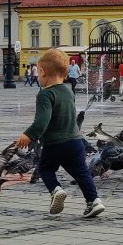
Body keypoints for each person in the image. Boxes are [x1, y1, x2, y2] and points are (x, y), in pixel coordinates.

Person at [15, 49, 105, 218]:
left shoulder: (45, 94)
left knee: (45, 169)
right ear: (65, 73)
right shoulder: (69, 91)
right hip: (75, 142)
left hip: (55, 143)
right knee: (81, 172)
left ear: (41, 72)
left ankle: (56, 190)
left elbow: (42, 121)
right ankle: (94, 202)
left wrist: (28, 135)